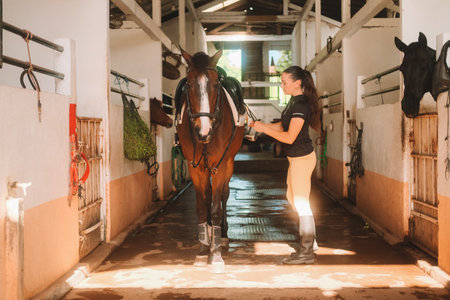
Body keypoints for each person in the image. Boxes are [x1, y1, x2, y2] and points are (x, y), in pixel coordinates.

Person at [249, 65, 320, 264]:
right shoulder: (293, 102)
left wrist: (263, 128)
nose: (281, 86)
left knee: (301, 202)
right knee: (293, 197)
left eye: (284, 82)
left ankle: (307, 251)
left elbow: (289, 137)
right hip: (295, 158)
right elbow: (283, 126)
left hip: (301, 158)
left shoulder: (301, 105)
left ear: (297, 83)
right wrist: (259, 127)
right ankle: (310, 241)